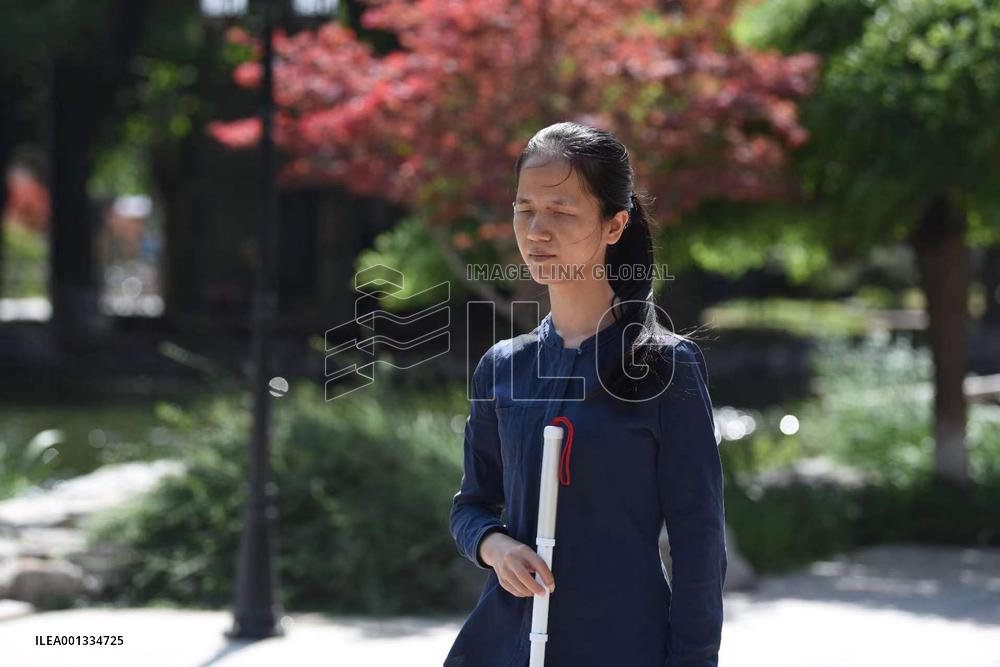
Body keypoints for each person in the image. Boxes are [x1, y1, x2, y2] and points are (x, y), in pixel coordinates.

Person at [445, 122, 727, 667]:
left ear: (614, 224)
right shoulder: (503, 368)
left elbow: (699, 548)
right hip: (505, 647)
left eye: (562, 211)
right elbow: (471, 506)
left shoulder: (667, 367)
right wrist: (494, 546)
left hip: (625, 645)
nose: (537, 230)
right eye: (524, 209)